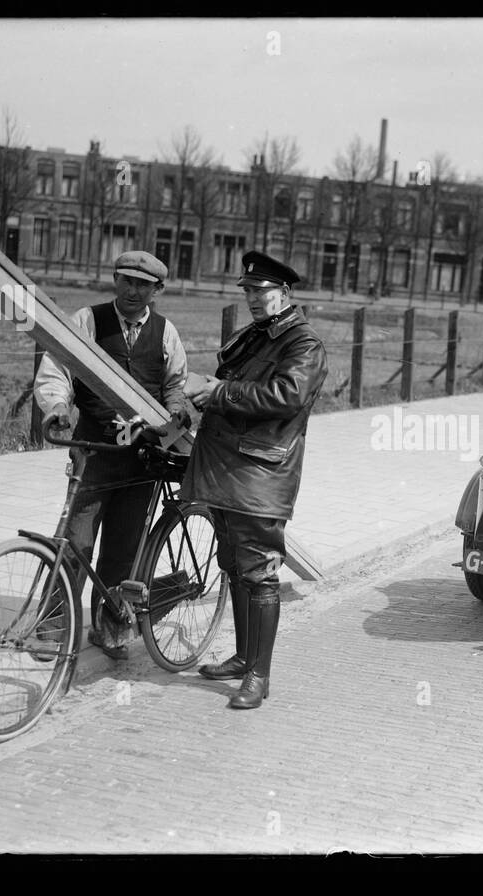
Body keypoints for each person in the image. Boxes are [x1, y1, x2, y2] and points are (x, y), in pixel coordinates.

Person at [186, 251, 328, 710]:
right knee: (234, 565)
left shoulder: (303, 344)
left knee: (260, 572)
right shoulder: (258, 337)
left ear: (284, 293)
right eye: (247, 291)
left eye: (260, 291)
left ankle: (259, 677)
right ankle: (245, 656)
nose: (252, 298)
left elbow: (286, 395)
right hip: (229, 465)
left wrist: (220, 391)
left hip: (262, 473)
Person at [35, 251, 192, 659]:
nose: (133, 290)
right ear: (115, 280)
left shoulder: (165, 332)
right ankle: (51, 629)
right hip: (97, 452)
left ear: (157, 290)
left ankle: (110, 630)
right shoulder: (88, 321)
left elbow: (175, 384)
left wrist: (175, 411)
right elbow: (57, 371)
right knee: (75, 542)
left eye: (144, 285)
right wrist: (56, 407)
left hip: (142, 459)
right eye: (126, 281)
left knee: (124, 550)